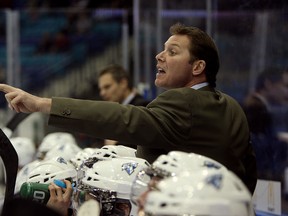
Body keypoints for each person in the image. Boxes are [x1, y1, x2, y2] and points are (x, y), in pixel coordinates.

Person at [0, 23, 257, 194]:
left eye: (172, 51)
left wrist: (43, 104)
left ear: (198, 67)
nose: (159, 55)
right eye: (162, 49)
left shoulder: (184, 102)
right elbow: (247, 172)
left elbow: (125, 117)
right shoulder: (232, 106)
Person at [242, 67, 288, 179]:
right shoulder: (255, 109)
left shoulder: (257, 107)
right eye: (285, 86)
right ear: (268, 84)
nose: (286, 91)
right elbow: (258, 147)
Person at [97, 64, 150, 146]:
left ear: (123, 83)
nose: (102, 93)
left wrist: (117, 144)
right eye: (101, 89)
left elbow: (143, 142)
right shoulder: (113, 113)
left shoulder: (143, 107)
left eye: (107, 87)